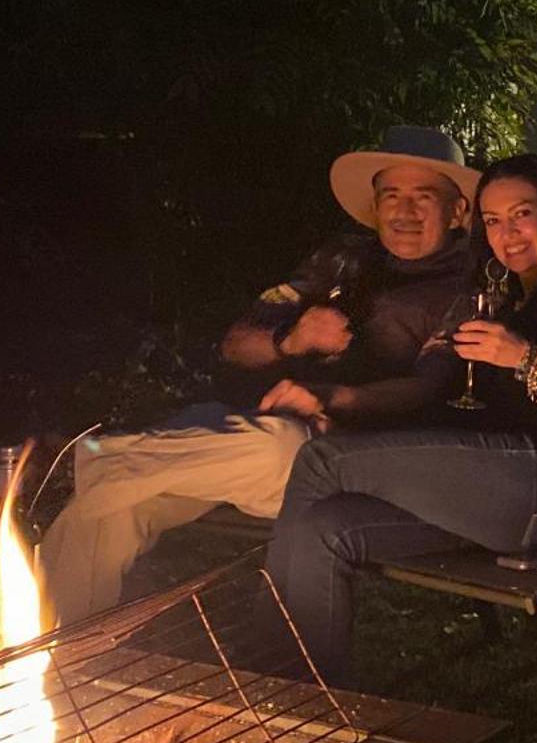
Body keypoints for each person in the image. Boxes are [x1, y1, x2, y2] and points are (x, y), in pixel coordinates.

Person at [38, 127, 477, 625]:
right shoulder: (341, 259)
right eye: (391, 196)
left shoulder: (466, 286)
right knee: (112, 506)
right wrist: (291, 341)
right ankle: (38, 659)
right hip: (235, 438)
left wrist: (328, 397)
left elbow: (429, 388)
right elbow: (236, 345)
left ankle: (62, 467)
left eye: (424, 197)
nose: (405, 212)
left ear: (458, 211)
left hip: (333, 462)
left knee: (275, 449)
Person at [266, 153, 537, 688]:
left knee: (321, 461)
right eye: (493, 221)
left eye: (521, 214)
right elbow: (462, 404)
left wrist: (524, 357)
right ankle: (313, 703)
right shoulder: (504, 296)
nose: (507, 235)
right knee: (324, 528)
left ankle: (274, 678)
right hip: (496, 490)